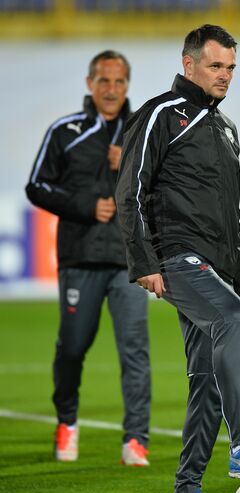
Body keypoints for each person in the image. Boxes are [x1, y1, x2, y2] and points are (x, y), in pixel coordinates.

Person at [116, 25, 240, 493]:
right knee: (230, 322)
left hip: (216, 266)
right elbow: (130, 190)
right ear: (189, 64)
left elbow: (230, 217)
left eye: (231, 67)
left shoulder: (226, 129)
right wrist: (143, 260)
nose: (225, 76)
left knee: (207, 381)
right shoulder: (161, 115)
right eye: (216, 66)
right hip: (175, 255)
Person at [26, 50, 151, 467]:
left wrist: (130, 163)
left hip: (130, 260)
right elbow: (37, 186)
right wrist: (85, 205)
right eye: (104, 81)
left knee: (135, 350)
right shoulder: (66, 130)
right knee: (73, 348)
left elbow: (163, 189)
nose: (112, 89)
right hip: (80, 258)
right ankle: (67, 422)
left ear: (128, 86)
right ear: (89, 83)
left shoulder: (142, 131)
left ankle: (136, 439)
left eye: (119, 82)